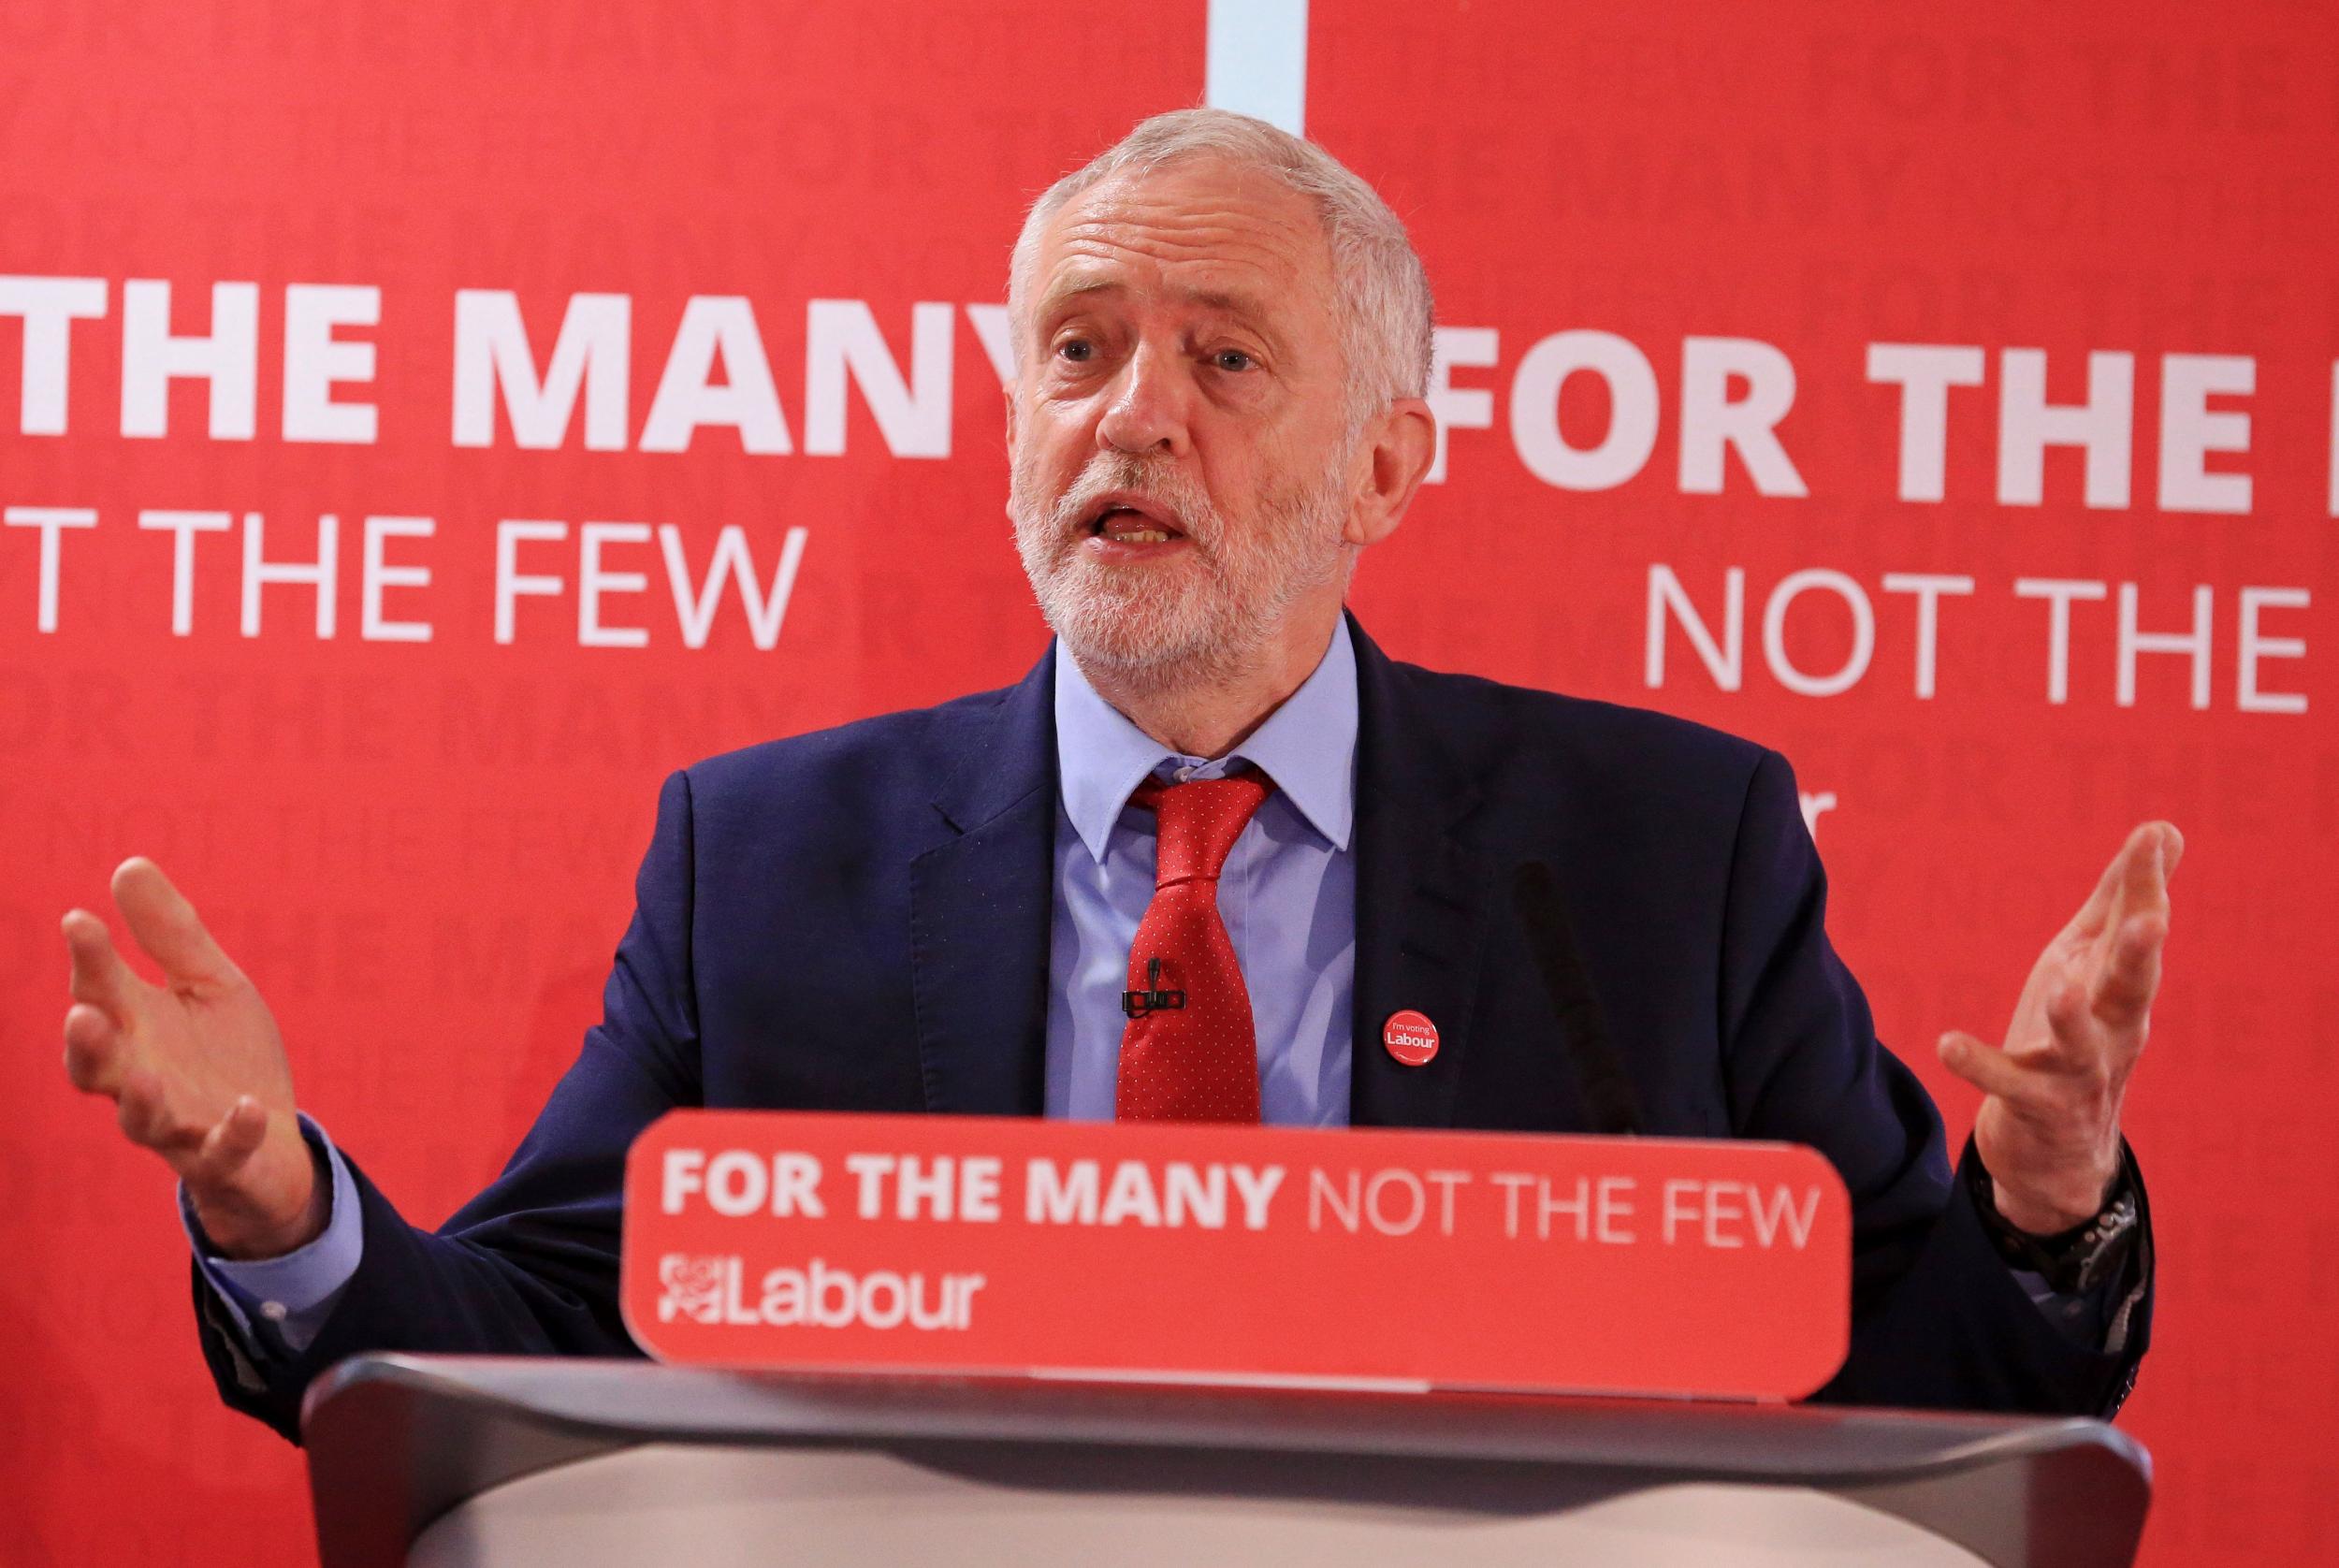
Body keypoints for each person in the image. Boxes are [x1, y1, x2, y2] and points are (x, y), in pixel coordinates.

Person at [57, 109, 2172, 1445]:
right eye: (1075, 349)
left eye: (1222, 358)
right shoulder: (768, 857)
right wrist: (289, 1208)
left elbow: (1917, 1374)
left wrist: (2046, 1199)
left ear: (1383, 466)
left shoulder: (1653, 854)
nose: (1129, 416)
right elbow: (531, 1343)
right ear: (1010, 428)